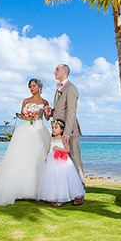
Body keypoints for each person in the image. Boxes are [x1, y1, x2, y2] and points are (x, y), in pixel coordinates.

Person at [43, 63, 85, 204]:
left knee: (74, 159)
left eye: (57, 69)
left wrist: (67, 133)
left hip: (69, 131)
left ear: (65, 72)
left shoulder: (71, 88)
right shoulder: (58, 89)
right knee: (60, 163)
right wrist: (51, 112)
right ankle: (63, 192)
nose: (54, 71)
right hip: (58, 131)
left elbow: (71, 111)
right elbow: (61, 111)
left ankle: (80, 193)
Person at [37, 119, 86, 207]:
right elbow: (49, 149)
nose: (54, 129)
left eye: (56, 127)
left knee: (61, 179)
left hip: (61, 160)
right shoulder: (51, 139)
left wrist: (59, 149)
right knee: (52, 179)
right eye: (52, 128)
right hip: (52, 160)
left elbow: (67, 150)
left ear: (62, 129)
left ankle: (61, 198)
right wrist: (47, 157)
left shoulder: (63, 139)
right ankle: (53, 196)